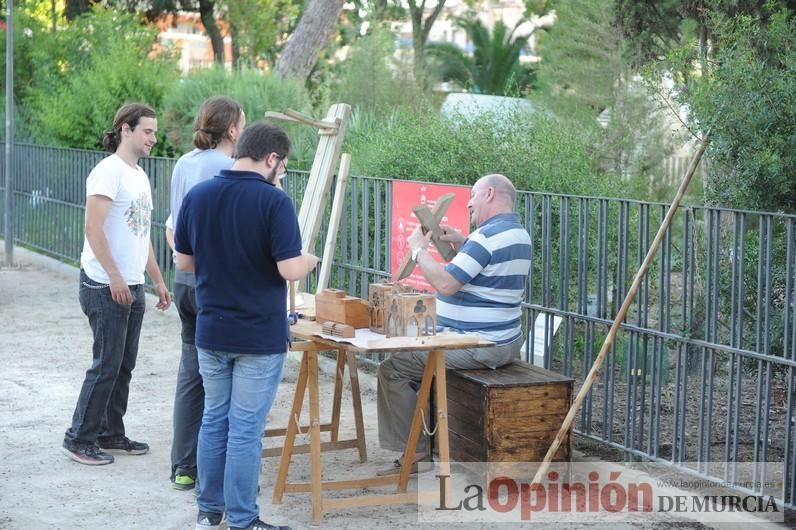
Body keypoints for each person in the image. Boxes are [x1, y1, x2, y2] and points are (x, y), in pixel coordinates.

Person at [174, 121, 317, 530]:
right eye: (284, 166)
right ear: (271, 158)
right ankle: (242, 519)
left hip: (211, 330)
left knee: (214, 420)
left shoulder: (199, 195)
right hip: (257, 334)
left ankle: (208, 511)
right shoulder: (274, 202)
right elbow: (290, 268)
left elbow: (183, 261)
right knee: (245, 431)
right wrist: (311, 259)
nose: (282, 174)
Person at [376, 173, 532, 474]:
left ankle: (417, 454)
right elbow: (486, 271)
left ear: (489, 193)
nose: (469, 203)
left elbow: (446, 283)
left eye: (472, 195)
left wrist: (419, 249)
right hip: (502, 340)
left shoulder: (486, 238)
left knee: (393, 367)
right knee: (417, 361)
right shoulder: (515, 233)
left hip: (481, 344)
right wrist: (463, 242)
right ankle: (427, 442)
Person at [62, 102, 172, 466]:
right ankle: (79, 438)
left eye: (154, 132)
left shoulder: (139, 175)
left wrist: (157, 279)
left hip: (133, 284)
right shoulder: (108, 172)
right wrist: (112, 275)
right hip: (103, 284)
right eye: (148, 132)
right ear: (126, 129)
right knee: (106, 363)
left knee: (124, 364)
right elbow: (93, 228)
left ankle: (110, 433)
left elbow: (142, 234)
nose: (153, 139)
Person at [165, 96, 246, 491]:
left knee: (191, 374)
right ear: (232, 130)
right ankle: (220, 471)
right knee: (227, 378)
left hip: (185, 282)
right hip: (215, 284)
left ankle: (183, 465)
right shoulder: (226, 166)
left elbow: (172, 224)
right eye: (242, 125)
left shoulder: (183, 162)